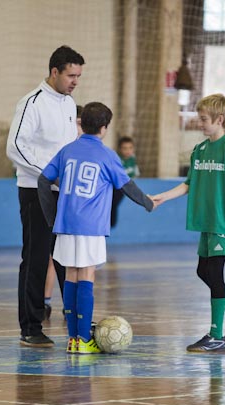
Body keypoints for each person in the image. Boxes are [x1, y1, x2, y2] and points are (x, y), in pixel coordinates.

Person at [38, 102, 155, 353]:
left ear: (82, 123)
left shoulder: (67, 150)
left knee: (70, 276)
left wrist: (51, 217)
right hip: (90, 226)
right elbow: (126, 185)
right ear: (104, 127)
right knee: (87, 276)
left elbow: (43, 180)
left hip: (65, 225)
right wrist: (147, 202)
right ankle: (83, 339)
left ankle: (73, 340)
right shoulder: (107, 155)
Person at [152, 94, 225, 352]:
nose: (200, 124)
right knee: (203, 271)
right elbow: (189, 184)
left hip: (223, 221)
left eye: (204, 119)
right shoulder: (199, 150)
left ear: (220, 119)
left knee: (215, 273)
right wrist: (163, 197)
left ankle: (216, 334)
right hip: (206, 222)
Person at [6, 46, 84, 347]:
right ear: (54, 71)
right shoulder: (32, 102)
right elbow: (15, 146)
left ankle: (77, 319)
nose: (75, 81)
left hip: (63, 192)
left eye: (78, 76)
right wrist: (49, 174)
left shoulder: (69, 103)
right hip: (35, 191)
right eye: (70, 75)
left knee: (67, 257)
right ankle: (31, 326)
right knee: (36, 258)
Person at [43, 104, 84, 321]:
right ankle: (46, 301)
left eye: (81, 123)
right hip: (56, 200)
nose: (78, 128)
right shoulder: (61, 147)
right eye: (75, 123)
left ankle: (73, 307)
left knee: (76, 260)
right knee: (54, 256)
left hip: (77, 208)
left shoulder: (87, 148)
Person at [110, 136, 141, 228]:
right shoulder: (117, 160)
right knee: (112, 204)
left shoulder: (133, 160)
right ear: (120, 149)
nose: (128, 151)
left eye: (130, 148)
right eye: (125, 148)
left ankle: (111, 223)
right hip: (115, 188)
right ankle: (110, 223)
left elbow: (134, 174)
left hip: (124, 188)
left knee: (114, 205)